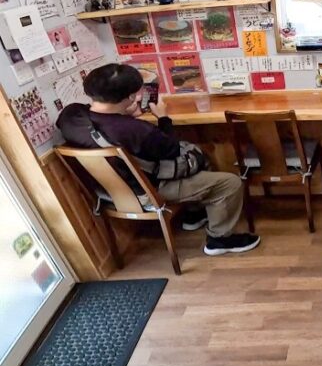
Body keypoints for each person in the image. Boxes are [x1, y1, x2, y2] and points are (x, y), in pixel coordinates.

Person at [57, 63, 259, 256]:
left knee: (199, 166)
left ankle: (193, 215)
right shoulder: (136, 130)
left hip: (107, 192)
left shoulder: (71, 117)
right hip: (149, 191)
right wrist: (163, 119)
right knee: (228, 182)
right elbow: (172, 151)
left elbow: (107, 127)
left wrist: (123, 114)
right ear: (130, 97)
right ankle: (219, 240)